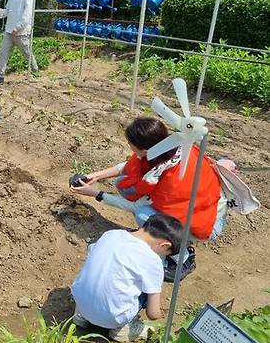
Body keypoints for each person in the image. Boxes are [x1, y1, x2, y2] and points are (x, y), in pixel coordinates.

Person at [71, 117, 226, 281]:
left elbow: (134, 206)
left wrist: (97, 194)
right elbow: (130, 166)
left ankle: (183, 256)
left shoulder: (169, 183)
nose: (130, 148)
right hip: (204, 206)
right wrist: (95, 176)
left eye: (131, 146)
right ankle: (168, 238)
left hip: (208, 223)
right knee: (124, 184)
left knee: (144, 216)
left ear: (145, 150)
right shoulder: (173, 147)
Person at [71, 214, 183, 342]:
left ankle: (81, 316)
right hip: (112, 318)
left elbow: (91, 251)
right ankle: (122, 329)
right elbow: (152, 314)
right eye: (165, 255)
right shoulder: (152, 261)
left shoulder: (111, 234)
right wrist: (159, 314)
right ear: (164, 246)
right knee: (147, 287)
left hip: (81, 302)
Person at [0, 0, 38, 85]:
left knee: (27, 53)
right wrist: (0, 11)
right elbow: (7, 11)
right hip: (9, 31)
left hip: (21, 32)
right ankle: (0, 76)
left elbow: (27, 14)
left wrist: (19, 27)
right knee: (3, 53)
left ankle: (35, 72)